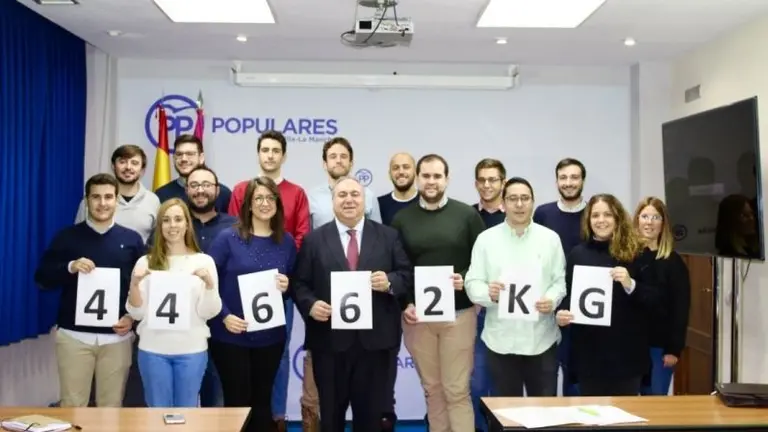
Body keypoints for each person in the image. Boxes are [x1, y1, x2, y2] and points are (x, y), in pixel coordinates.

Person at [291, 176, 413, 432]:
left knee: (371, 419)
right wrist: (311, 305)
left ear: (365, 201)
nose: (349, 200)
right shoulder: (314, 240)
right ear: (332, 201)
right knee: (331, 418)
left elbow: (406, 275)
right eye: (342, 195)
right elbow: (300, 283)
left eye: (355, 195)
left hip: (376, 345)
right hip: (329, 344)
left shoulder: (388, 236)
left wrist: (389, 282)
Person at [392, 154, 486, 432]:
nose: (431, 182)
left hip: (459, 314)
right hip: (418, 318)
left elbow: (483, 261)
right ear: (417, 178)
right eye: (426, 176)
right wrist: (405, 304)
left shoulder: (467, 216)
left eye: (437, 176)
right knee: (432, 390)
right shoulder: (402, 219)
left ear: (447, 178)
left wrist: (466, 278)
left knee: (456, 390)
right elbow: (398, 268)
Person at [35, 173, 144, 407]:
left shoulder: (132, 240)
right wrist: (70, 267)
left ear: (116, 200)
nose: (102, 203)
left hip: (117, 338)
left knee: (111, 408)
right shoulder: (67, 237)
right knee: (72, 407)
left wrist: (131, 317)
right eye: (96, 197)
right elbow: (42, 278)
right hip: (74, 337)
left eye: (108, 197)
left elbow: (142, 287)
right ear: (87, 200)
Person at [228, 130, 310, 431]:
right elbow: (234, 229)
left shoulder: (296, 193)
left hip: (278, 286)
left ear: (283, 156)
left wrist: (284, 270)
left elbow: (301, 236)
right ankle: (243, 418)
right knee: (240, 352)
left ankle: (277, 415)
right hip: (242, 288)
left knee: (279, 351)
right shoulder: (241, 189)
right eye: (265, 150)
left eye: (276, 150)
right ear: (258, 154)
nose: (270, 155)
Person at [207, 176, 296, 432]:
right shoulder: (227, 238)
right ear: (248, 204)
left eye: (270, 198)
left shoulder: (286, 241)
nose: (265, 203)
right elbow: (208, 283)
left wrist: (287, 285)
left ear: (277, 203)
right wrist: (224, 316)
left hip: (270, 338)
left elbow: (294, 283)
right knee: (236, 403)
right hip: (231, 336)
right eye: (259, 198)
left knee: (262, 404)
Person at [465, 177, 565, 397]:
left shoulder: (550, 239)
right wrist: (488, 293)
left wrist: (551, 299)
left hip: (541, 340)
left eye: (525, 198)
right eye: (512, 199)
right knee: (506, 412)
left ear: (533, 202)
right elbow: (472, 283)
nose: (519, 204)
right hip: (500, 342)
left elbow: (559, 281)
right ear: (503, 203)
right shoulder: (486, 240)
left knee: (545, 411)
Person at [555, 194, 658, 396]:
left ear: (617, 217)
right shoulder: (577, 254)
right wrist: (561, 313)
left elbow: (655, 299)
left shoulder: (637, 252)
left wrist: (630, 284)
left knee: (624, 413)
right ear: (588, 220)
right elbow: (568, 295)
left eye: (607, 215)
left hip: (626, 357)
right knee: (591, 413)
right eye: (595, 215)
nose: (601, 220)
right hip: (589, 357)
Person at [126, 198, 222, 407]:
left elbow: (209, 312)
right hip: (153, 350)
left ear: (187, 224)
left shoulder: (204, 261)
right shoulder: (145, 262)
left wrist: (209, 285)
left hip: (192, 350)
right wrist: (134, 285)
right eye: (166, 220)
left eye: (178, 219)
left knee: (186, 415)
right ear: (159, 226)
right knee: (156, 414)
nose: (172, 225)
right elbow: (137, 313)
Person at [532, 157, 587, 397]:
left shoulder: (594, 214)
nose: (569, 182)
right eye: (563, 177)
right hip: (548, 307)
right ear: (556, 181)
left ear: (582, 180)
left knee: (577, 382)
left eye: (574, 177)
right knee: (546, 379)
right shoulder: (543, 213)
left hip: (584, 308)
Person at [375, 151, 418, 431]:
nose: (401, 172)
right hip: (386, 297)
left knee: (434, 375)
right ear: (389, 172)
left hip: (423, 298)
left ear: (414, 171)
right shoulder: (378, 205)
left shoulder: (426, 204)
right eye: (396, 167)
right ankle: (384, 419)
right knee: (383, 370)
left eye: (406, 167)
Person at [633, 197, 690, 396]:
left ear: (663, 223)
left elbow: (680, 308)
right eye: (645, 216)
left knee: (655, 399)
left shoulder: (674, 263)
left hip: (660, 347)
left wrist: (673, 349)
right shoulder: (628, 258)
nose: (649, 222)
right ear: (637, 220)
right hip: (632, 345)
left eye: (655, 217)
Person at [155, 134, 232, 213]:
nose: (184, 159)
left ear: (201, 158)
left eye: (190, 154)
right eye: (179, 154)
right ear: (174, 158)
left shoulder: (222, 193)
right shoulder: (161, 194)